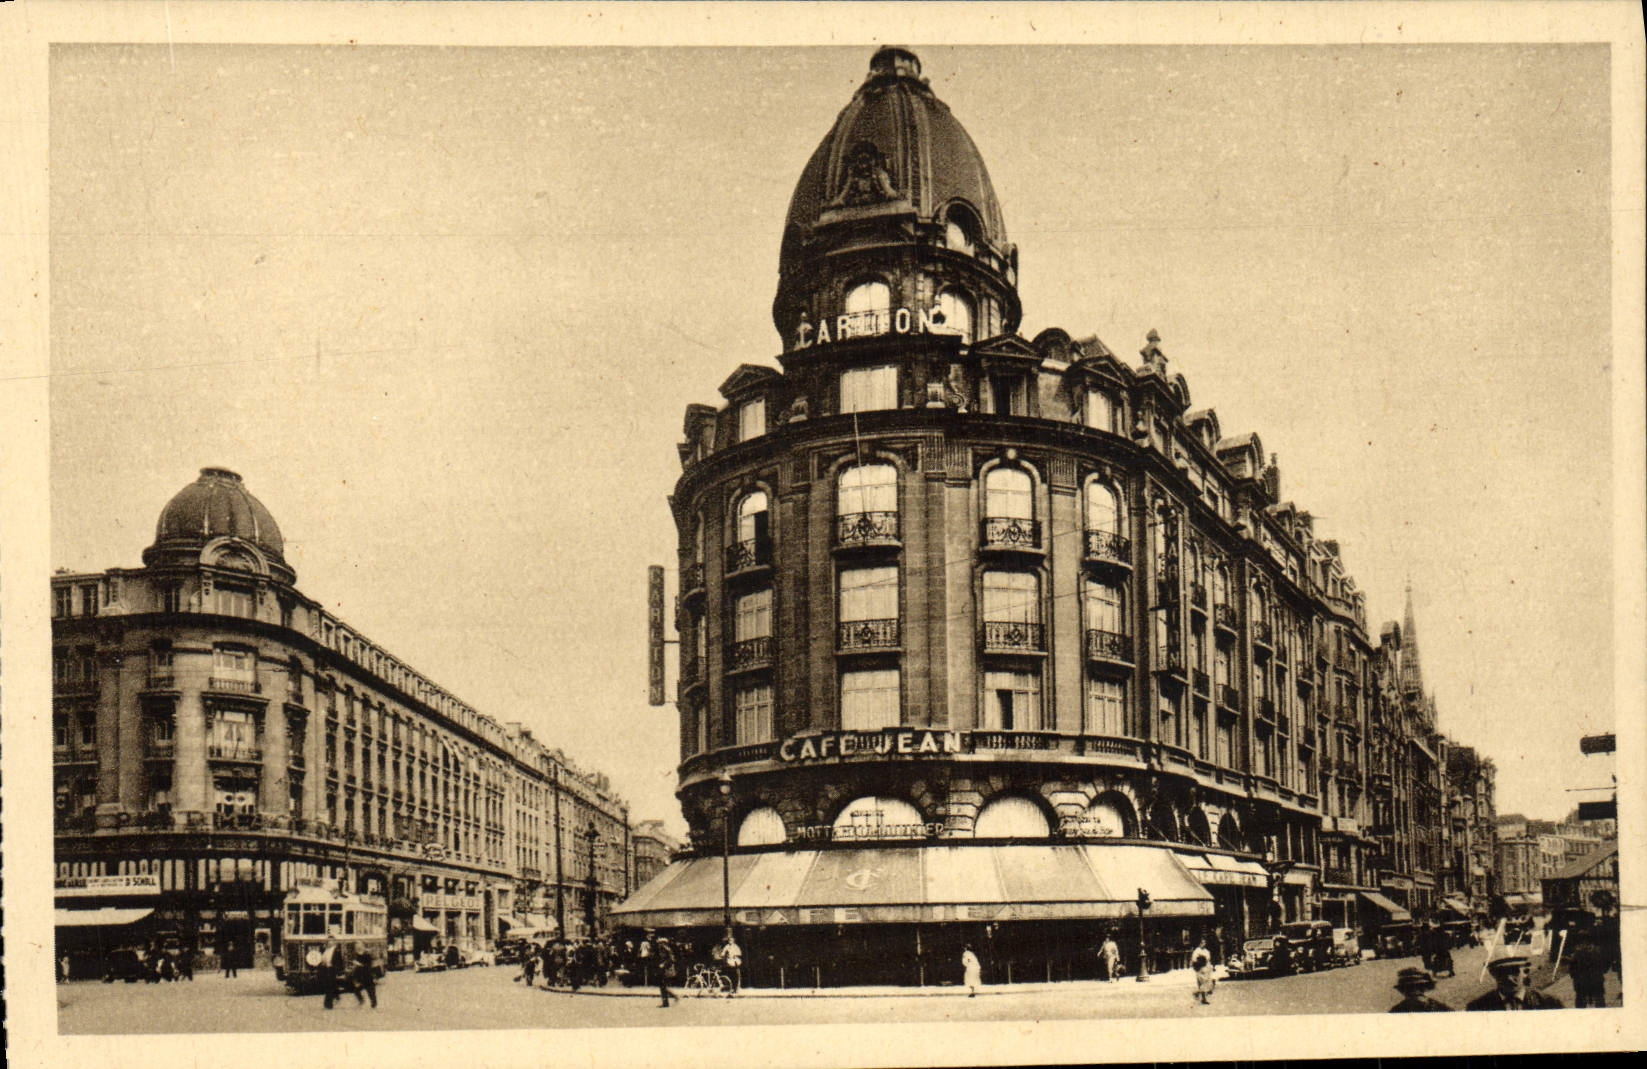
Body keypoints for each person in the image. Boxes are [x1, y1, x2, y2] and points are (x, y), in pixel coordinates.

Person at [1466, 955, 1564, 1011]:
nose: (1509, 979)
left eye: (1514, 972)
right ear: (1493, 975)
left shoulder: (1549, 1003)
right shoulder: (1478, 1007)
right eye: (1502, 973)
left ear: (1525, 972)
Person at [1565, 933, 1609, 1008]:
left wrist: (1574, 976)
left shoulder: (1576, 954)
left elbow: (1571, 969)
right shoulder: (1596, 951)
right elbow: (1604, 966)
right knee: (1599, 1000)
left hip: (1581, 983)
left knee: (1580, 1001)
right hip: (1596, 981)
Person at [1389, 967, 1453, 1012]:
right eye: (1409, 989)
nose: (1414, 992)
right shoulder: (1440, 1008)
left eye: (1418, 987)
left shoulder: (1396, 1011)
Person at [319, 936, 345, 1010]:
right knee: (328, 986)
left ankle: (328, 1004)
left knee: (330, 986)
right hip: (326, 970)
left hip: (332, 970)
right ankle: (335, 997)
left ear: (334, 942)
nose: (330, 942)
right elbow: (322, 959)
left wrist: (338, 971)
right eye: (328, 941)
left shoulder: (336, 951)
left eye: (331, 941)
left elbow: (340, 962)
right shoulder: (325, 950)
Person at [352, 943, 378, 1008]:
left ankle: (373, 1004)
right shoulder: (357, 956)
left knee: (370, 991)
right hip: (359, 976)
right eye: (357, 947)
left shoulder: (367, 955)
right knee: (356, 989)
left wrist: (360, 964)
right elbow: (356, 968)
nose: (358, 948)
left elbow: (369, 966)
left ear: (363, 947)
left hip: (367, 976)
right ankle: (361, 1000)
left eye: (359, 947)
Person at [653, 936, 678, 1008]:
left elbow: (671, 959)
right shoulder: (661, 950)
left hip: (667, 970)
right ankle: (666, 1002)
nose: (659, 944)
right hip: (663, 970)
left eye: (661, 943)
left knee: (663, 986)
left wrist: (663, 964)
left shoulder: (666, 950)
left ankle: (669, 1000)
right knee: (662, 986)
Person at [1190, 939, 1215, 1005]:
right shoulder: (1197, 951)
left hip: (1207, 968)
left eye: (1204, 942)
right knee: (1202, 983)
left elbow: (1209, 959)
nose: (1204, 944)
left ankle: (1198, 993)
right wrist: (1199, 963)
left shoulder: (1206, 951)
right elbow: (1194, 960)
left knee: (1207, 983)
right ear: (1199, 943)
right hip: (1200, 968)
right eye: (1202, 943)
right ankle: (1203, 998)